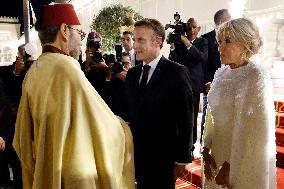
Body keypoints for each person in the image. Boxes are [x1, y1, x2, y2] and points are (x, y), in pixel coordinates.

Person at [13, 3, 135, 189]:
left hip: (47, 168)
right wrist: (123, 128)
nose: (81, 41)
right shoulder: (66, 68)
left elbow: (22, 138)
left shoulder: (35, 70)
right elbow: (102, 123)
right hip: (70, 176)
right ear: (64, 30)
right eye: (80, 33)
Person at [202, 18, 276, 189]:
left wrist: (230, 167)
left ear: (245, 44)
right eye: (220, 41)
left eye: (228, 41)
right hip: (217, 151)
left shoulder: (256, 75)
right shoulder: (220, 74)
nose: (220, 47)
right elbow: (211, 116)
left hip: (242, 157)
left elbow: (256, 128)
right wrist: (206, 150)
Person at [125, 18, 194, 189]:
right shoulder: (132, 74)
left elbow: (186, 118)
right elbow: (129, 113)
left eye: (140, 40)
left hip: (163, 159)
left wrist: (182, 158)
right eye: (134, 39)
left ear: (158, 41)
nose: (134, 46)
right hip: (135, 156)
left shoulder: (177, 72)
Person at [169, 17, 208, 156]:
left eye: (194, 27)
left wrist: (188, 44)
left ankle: (191, 146)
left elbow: (202, 58)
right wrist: (173, 46)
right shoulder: (179, 43)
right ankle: (179, 143)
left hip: (195, 85)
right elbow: (174, 62)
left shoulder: (203, 42)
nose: (191, 30)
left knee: (191, 117)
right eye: (189, 27)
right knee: (179, 115)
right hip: (180, 84)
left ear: (198, 29)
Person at [200, 9, 231, 144]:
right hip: (211, 83)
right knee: (208, 114)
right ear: (220, 21)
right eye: (228, 19)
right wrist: (207, 81)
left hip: (228, 81)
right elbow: (202, 63)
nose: (230, 21)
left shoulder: (231, 38)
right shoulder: (206, 38)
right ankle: (204, 143)